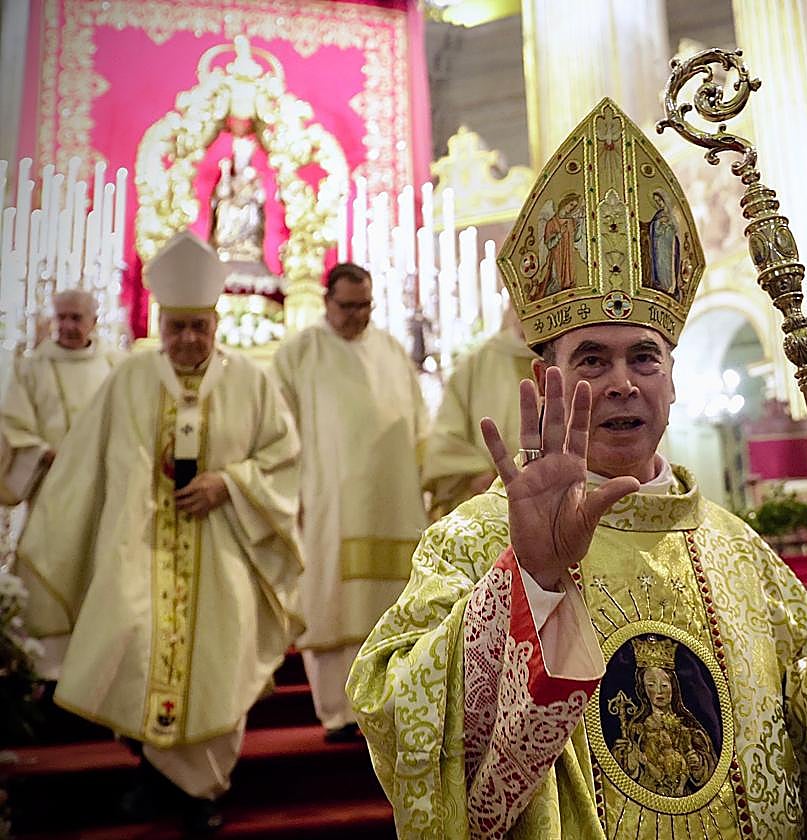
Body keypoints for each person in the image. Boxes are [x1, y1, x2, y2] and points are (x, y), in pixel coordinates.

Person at [349, 98, 807, 839]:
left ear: (672, 380)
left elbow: (803, 746)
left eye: (644, 358)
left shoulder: (740, 551)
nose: (621, 383)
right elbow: (401, 718)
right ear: (546, 380)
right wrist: (532, 581)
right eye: (592, 359)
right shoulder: (476, 538)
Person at [16, 231, 303, 834]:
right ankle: (153, 778)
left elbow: (283, 456)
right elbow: (85, 462)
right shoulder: (129, 378)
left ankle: (203, 791)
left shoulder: (252, 382)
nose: (188, 339)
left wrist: (230, 483)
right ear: (160, 323)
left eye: (199, 326)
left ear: (216, 322)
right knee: (133, 655)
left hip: (225, 549)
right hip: (140, 548)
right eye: (177, 328)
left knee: (218, 664)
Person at [273, 261, 429, 742]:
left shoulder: (390, 350)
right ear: (327, 301)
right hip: (328, 500)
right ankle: (338, 712)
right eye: (348, 306)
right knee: (335, 600)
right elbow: (278, 432)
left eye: (366, 306)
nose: (358, 315)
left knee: (387, 601)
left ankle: (387, 705)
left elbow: (419, 422)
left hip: (392, 498)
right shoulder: (299, 353)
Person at [0, 289, 124, 505]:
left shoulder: (115, 365)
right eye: (61, 317)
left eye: (76, 318)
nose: (67, 326)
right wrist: (44, 453)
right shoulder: (31, 368)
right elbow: (14, 425)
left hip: (102, 482)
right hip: (51, 482)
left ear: (93, 321)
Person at [421, 303, 535, 517]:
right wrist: (477, 473)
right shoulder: (477, 363)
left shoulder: (577, 358)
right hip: (491, 503)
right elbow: (447, 437)